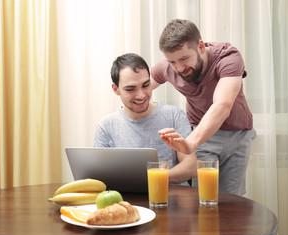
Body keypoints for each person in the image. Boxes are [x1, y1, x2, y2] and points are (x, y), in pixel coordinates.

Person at [151, 19, 256, 195]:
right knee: (205, 198)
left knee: (231, 200)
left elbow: (222, 105)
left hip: (238, 135)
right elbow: (142, 88)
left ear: (200, 46)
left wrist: (190, 143)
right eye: (172, 62)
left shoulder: (228, 57)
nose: (179, 68)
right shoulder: (167, 67)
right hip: (203, 135)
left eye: (184, 58)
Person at [94, 53, 197, 186]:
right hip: (128, 201)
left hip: (172, 199)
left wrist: (154, 177)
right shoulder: (106, 126)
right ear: (116, 89)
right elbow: (98, 176)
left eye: (146, 85)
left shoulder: (174, 115)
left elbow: (191, 166)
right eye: (131, 89)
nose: (141, 95)